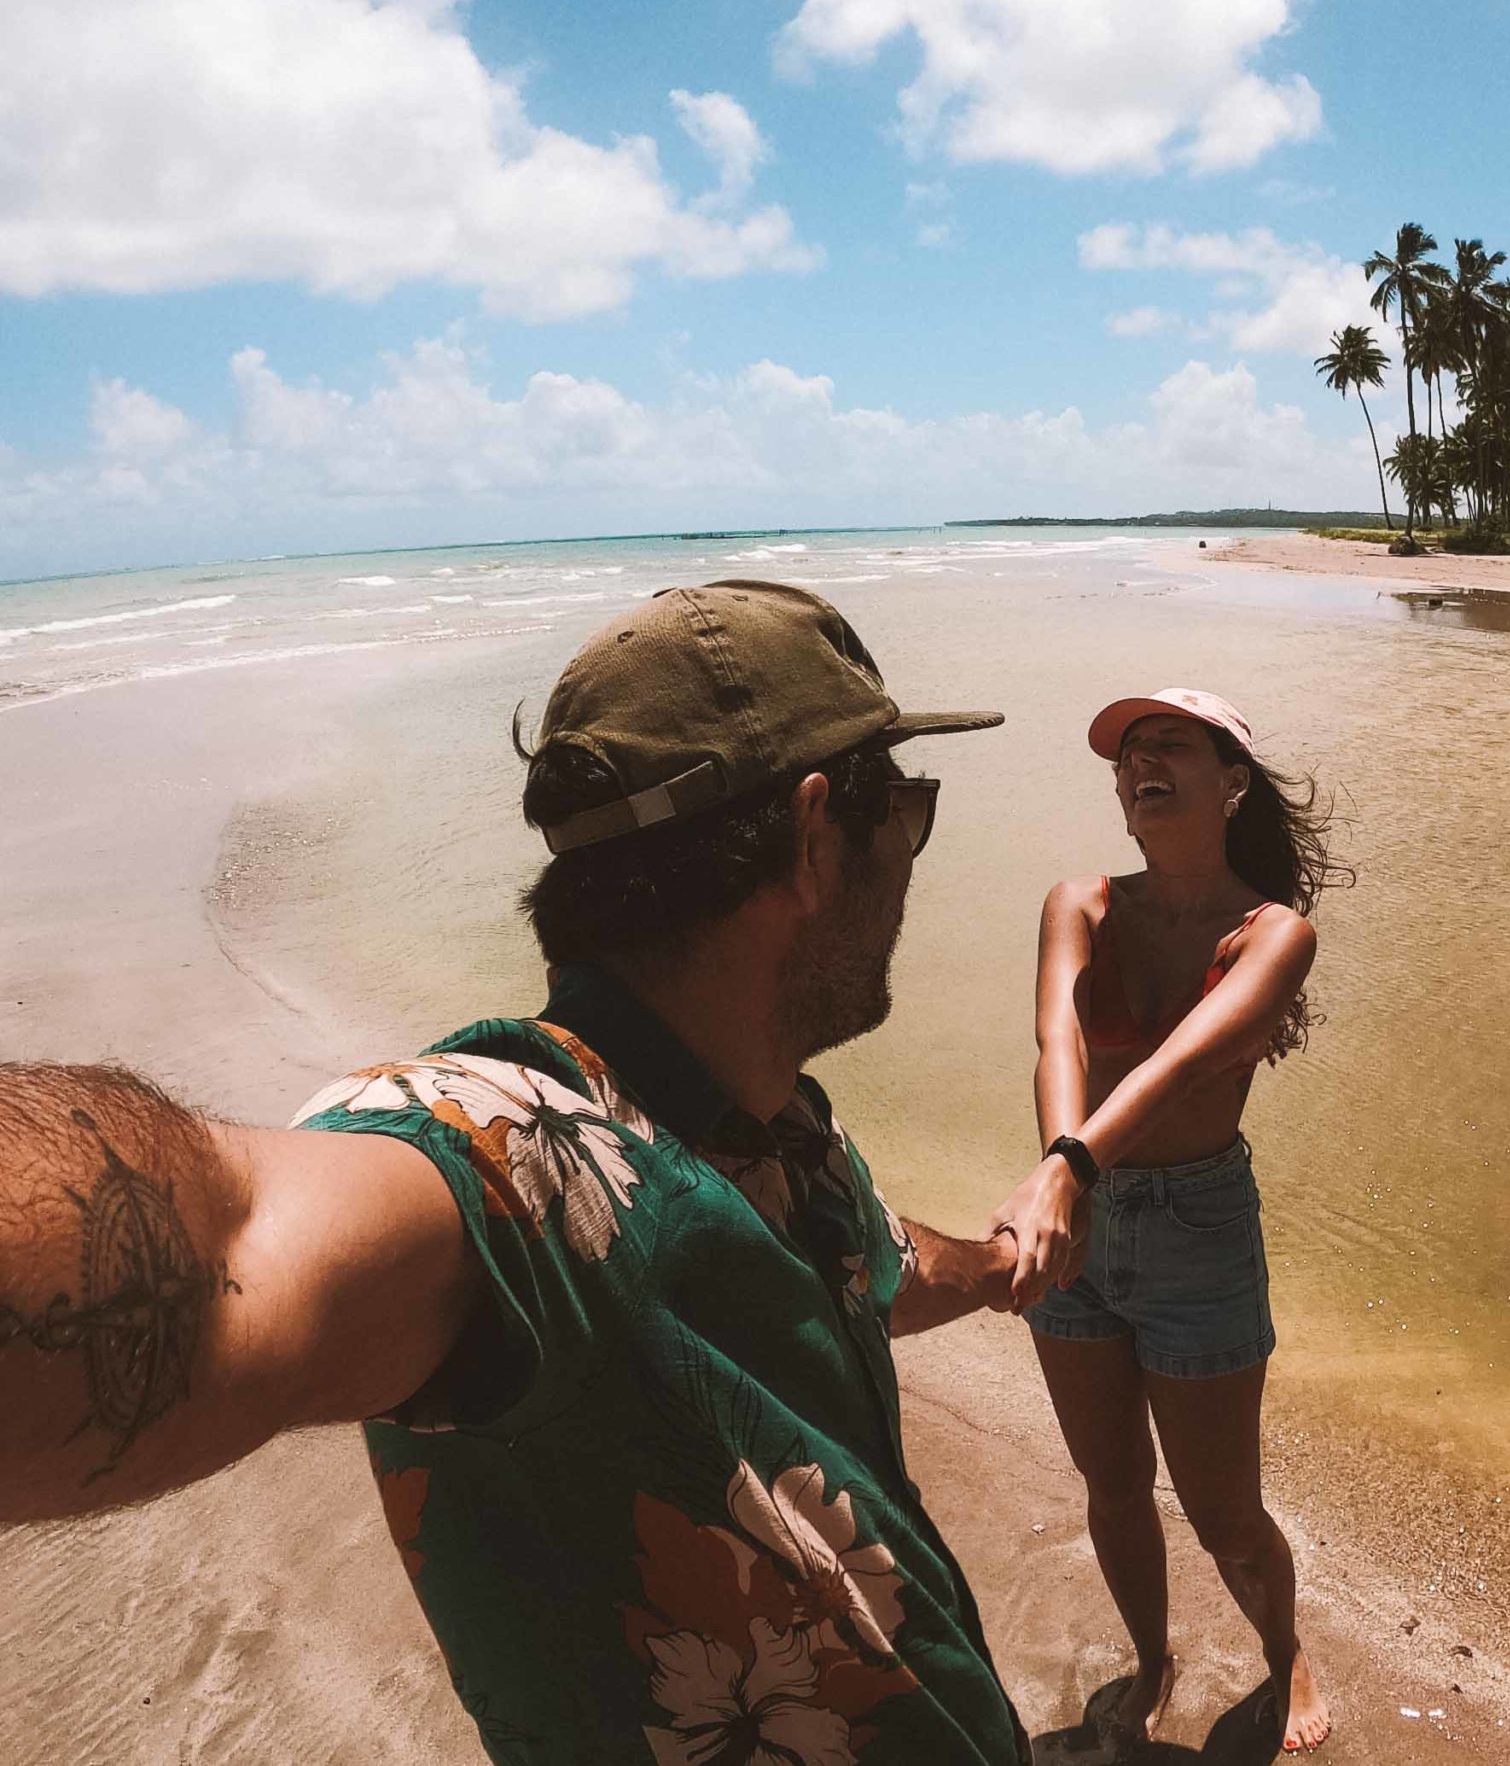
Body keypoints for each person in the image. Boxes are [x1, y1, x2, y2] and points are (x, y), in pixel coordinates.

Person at [0, 580, 1039, 1764]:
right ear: (814, 838)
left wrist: (1005, 1261)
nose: (911, 846)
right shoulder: (523, 1157)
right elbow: (234, 1239)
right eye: (902, 805)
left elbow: (877, 1266)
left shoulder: (779, 1134)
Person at [988, 689, 1347, 1755]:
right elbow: (1057, 1036)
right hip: (1080, 1214)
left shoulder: (1275, 932)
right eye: (1126, 752)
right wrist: (1068, 1178)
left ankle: (1286, 1657)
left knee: (1224, 1508)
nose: (1139, 761)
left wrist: (1067, 1166)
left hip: (1196, 1224)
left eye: (1169, 744)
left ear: (1231, 779)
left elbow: (1188, 1055)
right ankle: (1152, 1658)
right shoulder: (1080, 900)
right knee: (1111, 1482)